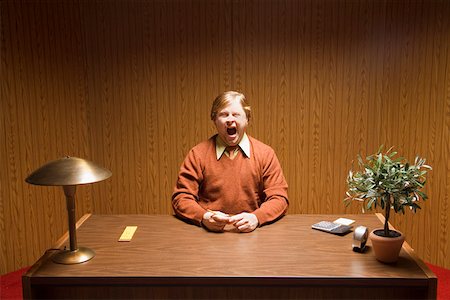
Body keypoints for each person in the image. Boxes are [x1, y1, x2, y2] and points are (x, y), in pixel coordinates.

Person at [172, 91, 289, 233]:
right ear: (214, 120)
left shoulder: (265, 154)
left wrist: (256, 218)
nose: (230, 119)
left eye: (236, 114)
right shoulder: (197, 154)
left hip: (252, 234)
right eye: (224, 114)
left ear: (247, 119)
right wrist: (204, 217)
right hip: (208, 235)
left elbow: (279, 198)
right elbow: (181, 197)